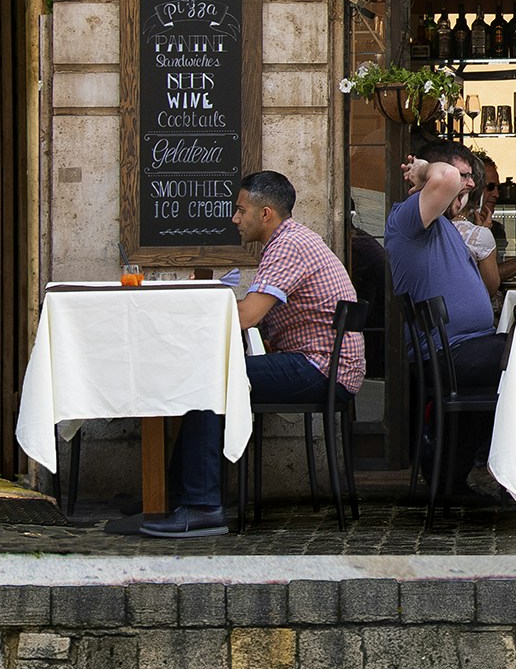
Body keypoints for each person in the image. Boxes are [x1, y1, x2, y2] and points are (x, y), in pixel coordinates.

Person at [116, 169, 367, 538]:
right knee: (208, 376)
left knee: (209, 380)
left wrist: (190, 310)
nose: (234, 218)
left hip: (320, 368)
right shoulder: (289, 241)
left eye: (240, 210)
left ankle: (202, 507)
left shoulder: (289, 245)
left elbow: (248, 315)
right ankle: (172, 496)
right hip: (321, 363)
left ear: (265, 214)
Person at [380, 147, 508, 500]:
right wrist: (423, 172)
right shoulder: (408, 218)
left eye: (470, 178)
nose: (468, 184)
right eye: (462, 176)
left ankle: (453, 478)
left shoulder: (441, 225)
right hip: (449, 353)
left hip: (465, 350)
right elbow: (445, 178)